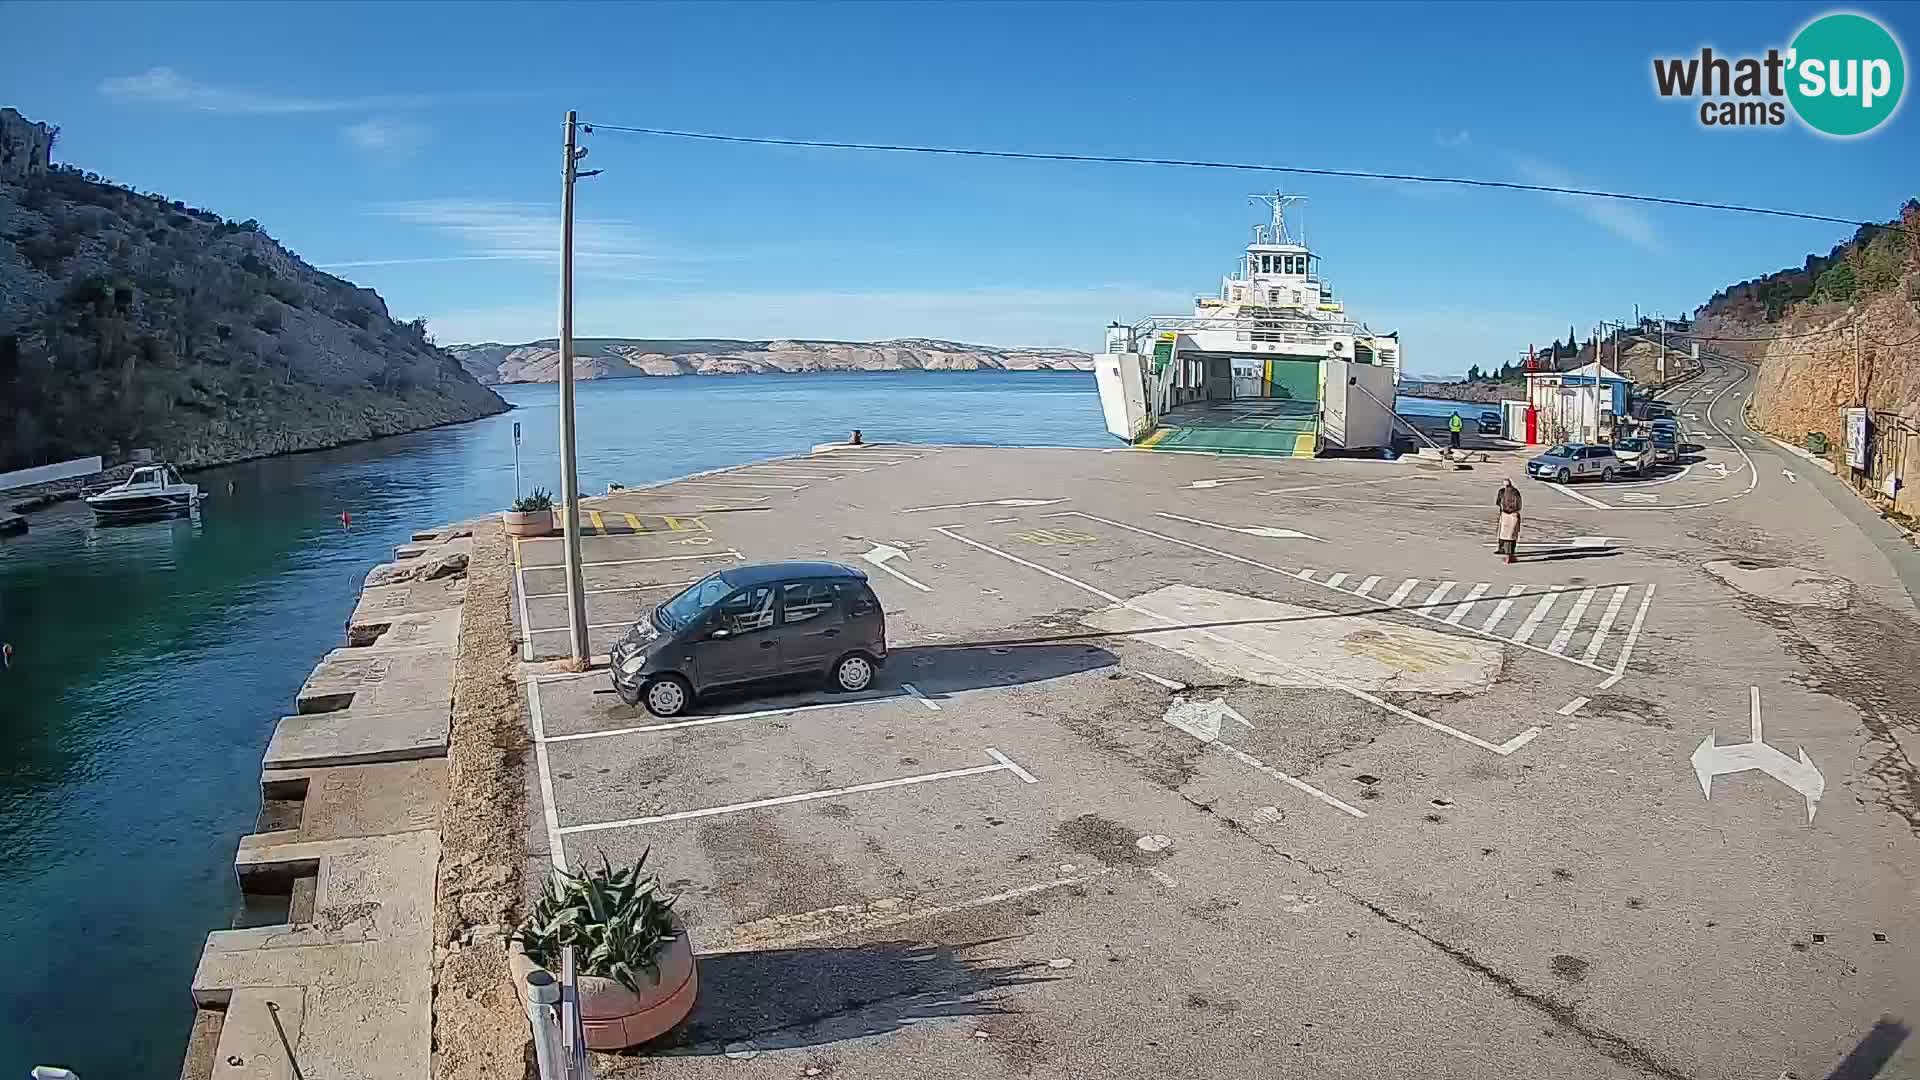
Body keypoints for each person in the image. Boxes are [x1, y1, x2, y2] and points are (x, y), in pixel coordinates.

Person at [1495, 480, 1523, 563]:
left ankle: (1505, 553)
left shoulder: (1502, 492)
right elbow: (1519, 505)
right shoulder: (1515, 492)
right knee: (1512, 535)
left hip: (1504, 514)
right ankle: (1510, 555)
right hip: (1514, 515)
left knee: (1505, 535)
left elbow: (1498, 503)